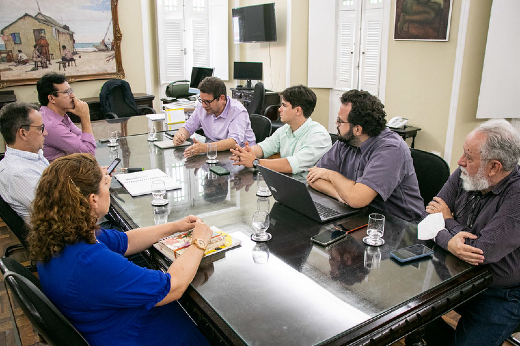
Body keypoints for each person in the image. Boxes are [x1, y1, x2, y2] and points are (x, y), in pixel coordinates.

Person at [29, 153, 212, 346]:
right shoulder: (91, 262)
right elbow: (173, 286)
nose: (109, 191)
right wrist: (198, 242)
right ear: (93, 199)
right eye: (105, 186)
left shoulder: (62, 235)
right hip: (135, 335)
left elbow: (127, 241)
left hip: (103, 323)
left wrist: (174, 226)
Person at [422, 119, 520, 346]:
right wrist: (451, 240)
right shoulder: (465, 172)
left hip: (500, 294)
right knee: (408, 316)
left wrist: (447, 221)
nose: (459, 161)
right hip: (455, 275)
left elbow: (479, 252)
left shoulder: (516, 196)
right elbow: (428, 217)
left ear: (494, 167)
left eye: (469, 156)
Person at [306, 89, 423, 222]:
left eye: (340, 120)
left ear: (358, 129)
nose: (336, 123)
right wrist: (341, 194)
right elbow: (313, 178)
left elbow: (357, 199)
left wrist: (330, 175)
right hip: (360, 215)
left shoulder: (391, 149)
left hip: (400, 226)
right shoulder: (346, 141)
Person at [230, 85, 332, 174]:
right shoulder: (285, 129)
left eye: (284, 105)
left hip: (310, 190)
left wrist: (255, 162)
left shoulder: (318, 135)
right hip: (289, 184)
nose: (279, 109)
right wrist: (244, 153)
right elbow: (264, 147)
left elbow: (292, 165)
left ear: (297, 110)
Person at [172, 76, 256, 158]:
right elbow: (188, 127)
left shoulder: (237, 111)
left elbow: (233, 142)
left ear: (222, 98)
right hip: (217, 154)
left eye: (208, 101)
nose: (204, 105)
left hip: (241, 156)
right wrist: (180, 135)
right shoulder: (202, 107)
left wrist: (205, 147)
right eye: (201, 100)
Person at [0, 103, 49, 221]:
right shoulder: (19, 173)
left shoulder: (33, 156)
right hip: (64, 235)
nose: (45, 133)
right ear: (23, 133)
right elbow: (59, 210)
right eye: (40, 128)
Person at [37, 73, 96, 161]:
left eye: (71, 91)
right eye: (67, 92)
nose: (72, 96)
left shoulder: (58, 115)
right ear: (52, 98)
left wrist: (81, 144)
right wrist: (85, 117)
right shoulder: (52, 125)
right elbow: (89, 154)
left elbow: (82, 138)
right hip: (59, 173)